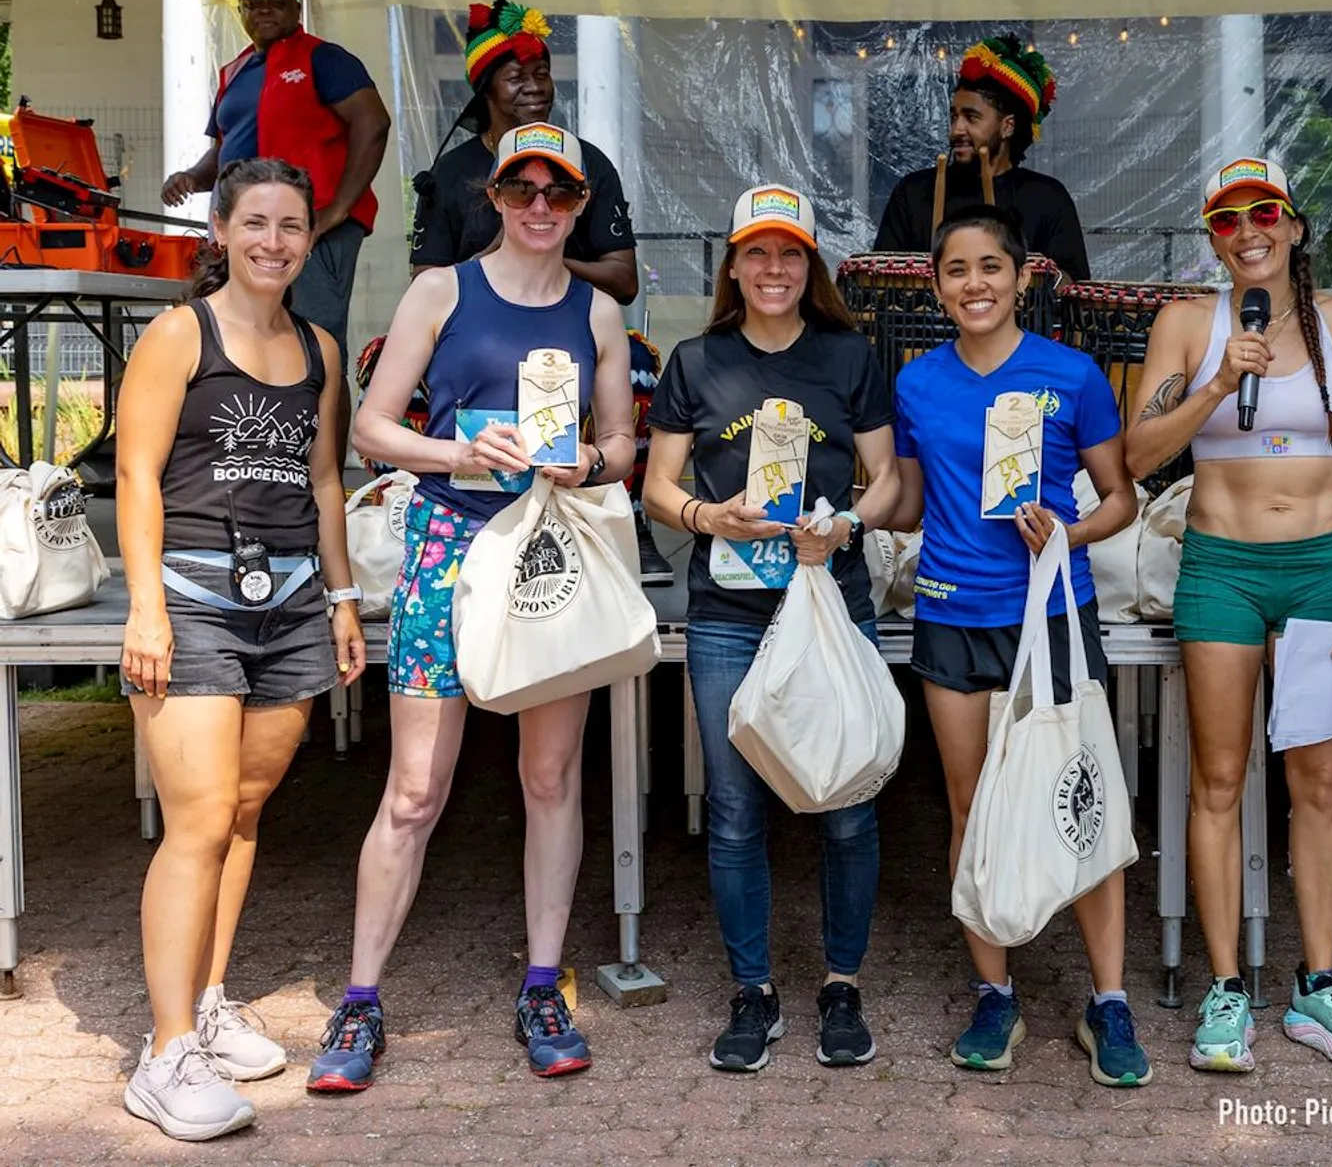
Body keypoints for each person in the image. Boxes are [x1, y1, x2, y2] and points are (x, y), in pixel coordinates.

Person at [310, 122, 637, 1090]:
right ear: (492, 196)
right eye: (522, 188)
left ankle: (544, 984)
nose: (541, 206)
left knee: (549, 776)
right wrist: (457, 453)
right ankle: (360, 999)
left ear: (580, 206)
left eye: (560, 193)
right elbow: (371, 426)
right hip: (449, 544)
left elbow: (622, 445)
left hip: (546, 546)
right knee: (413, 789)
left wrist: (590, 459)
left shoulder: (599, 313)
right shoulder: (441, 290)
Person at [1123, 157, 1332, 1073]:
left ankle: (1318, 985)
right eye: (1228, 219)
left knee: (1318, 781)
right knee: (1218, 779)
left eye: (1265, 213)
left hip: (1323, 571)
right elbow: (1137, 451)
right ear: (1213, 237)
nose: (1249, 231)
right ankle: (1227, 987)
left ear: (1294, 225)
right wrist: (1212, 383)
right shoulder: (1186, 324)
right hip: (1221, 569)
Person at [116, 157, 367, 1140]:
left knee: (246, 809)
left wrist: (343, 599)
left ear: (311, 238)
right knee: (199, 816)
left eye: (292, 225)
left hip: (294, 600)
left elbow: (328, 485)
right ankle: (165, 1051)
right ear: (219, 231)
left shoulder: (321, 347)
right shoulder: (183, 334)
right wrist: (146, 607)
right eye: (255, 222)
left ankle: (209, 1002)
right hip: (191, 599)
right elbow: (137, 478)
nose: (273, 241)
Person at [887, 203, 1148, 1087]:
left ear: (1024, 274)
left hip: (1052, 612)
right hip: (953, 613)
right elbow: (911, 503)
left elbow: (1122, 500)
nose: (975, 285)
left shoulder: (1071, 374)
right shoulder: (918, 381)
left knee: (1078, 799)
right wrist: (836, 517)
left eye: (991, 267)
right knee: (975, 805)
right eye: (956, 271)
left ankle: (1108, 1003)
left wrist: (1066, 536)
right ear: (936, 284)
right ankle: (994, 990)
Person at [643, 184, 901, 1073]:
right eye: (757, 252)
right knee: (734, 809)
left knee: (848, 800)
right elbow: (657, 489)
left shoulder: (848, 356)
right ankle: (752, 991)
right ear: (734, 265)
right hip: (728, 615)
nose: (774, 269)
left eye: (790, 252)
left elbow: (891, 480)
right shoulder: (694, 362)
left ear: (810, 265)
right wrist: (709, 517)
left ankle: (841, 985)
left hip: (831, 597)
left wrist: (850, 525)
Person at [406, 0, 669, 582]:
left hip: (564, 331)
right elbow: (424, 278)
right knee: (385, 368)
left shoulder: (589, 164)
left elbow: (623, 278)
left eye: (543, 72)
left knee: (640, 366)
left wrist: (543, 273)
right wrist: (496, 274)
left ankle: (630, 514)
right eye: (516, 75)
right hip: (471, 332)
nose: (535, 86)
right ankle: (404, 500)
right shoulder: (449, 175)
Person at [162, 0, 390, 382]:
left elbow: (372, 123)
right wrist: (191, 178)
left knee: (315, 343)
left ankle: (325, 450)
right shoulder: (235, 70)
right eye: (253, 3)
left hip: (312, 226)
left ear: (295, 7)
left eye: (276, 1)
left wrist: (339, 207)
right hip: (249, 228)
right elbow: (224, 148)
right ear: (242, 12)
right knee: (249, 340)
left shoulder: (324, 58)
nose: (264, 11)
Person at [874, 37, 1091, 281]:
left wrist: (1037, 281)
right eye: (954, 117)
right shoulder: (914, 193)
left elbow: (1073, 284)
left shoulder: (1047, 198)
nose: (956, 130)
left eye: (971, 117)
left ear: (1007, 126)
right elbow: (880, 283)